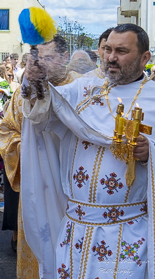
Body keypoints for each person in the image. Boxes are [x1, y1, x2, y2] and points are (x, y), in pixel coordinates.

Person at [21, 23, 154, 278]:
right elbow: (41, 112)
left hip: (127, 230)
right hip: (77, 229)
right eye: (108, 50)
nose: (111, 58)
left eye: (122, 51)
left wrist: (150, 152)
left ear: (144, 58)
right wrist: (33, 79)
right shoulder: (84, 90)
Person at [0, 34, 79, 278]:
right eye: (36, 58)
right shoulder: (23, 92)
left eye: (49, 58)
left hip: (71, 184)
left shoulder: (80, 87)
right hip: (36, 184)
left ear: (64, 57)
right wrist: (32, 153)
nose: (40, 64)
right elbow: (6, 130)